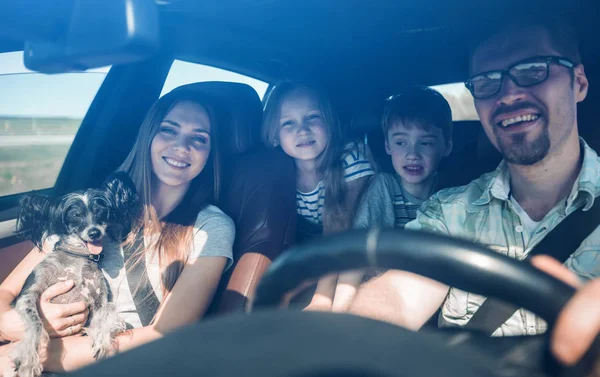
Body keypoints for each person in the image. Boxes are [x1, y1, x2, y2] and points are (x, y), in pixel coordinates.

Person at [348, 13, 599, 337]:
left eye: (533, 70)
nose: (507, 94)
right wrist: (350, 340)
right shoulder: (448, 212)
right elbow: (399, 295)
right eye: (486, 81)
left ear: (578, 83)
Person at [0, 88, 235, 374]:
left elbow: (166, 335)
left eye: (199, 138)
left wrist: (31, 353)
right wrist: (9, 322)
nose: (182, 146)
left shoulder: (210, 227)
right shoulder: (95, 208)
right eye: (169, 130)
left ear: (210, 154)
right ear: (148, 136)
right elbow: (7, 290)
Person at [261, 81, 374, 311]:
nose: (302, 130)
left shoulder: (350, 159)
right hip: (314, 255)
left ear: (329, 123)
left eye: (312, 117)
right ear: (274, 136)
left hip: (356, 256)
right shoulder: (278, 172)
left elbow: (340, 230)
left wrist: (321, 298)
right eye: (288, 123)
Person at [353, 86, 453, 230]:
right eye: (401, 143)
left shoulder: (451, 191)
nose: (412, 154)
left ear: (446, 147)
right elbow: (364, 243)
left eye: (426, 143)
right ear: (387, 146)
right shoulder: (384, 186)